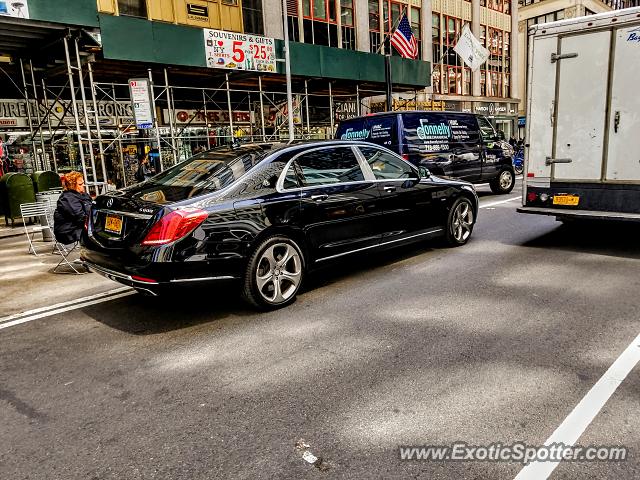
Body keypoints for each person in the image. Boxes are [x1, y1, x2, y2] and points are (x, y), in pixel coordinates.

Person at [53, 171, 92, 245]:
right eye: (80, 184)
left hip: (79, 226)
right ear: (72, 186)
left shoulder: (83, 194)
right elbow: (80, 216)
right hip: (68, 231)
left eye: (83, 183)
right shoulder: (68, 198)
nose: (83, 185)